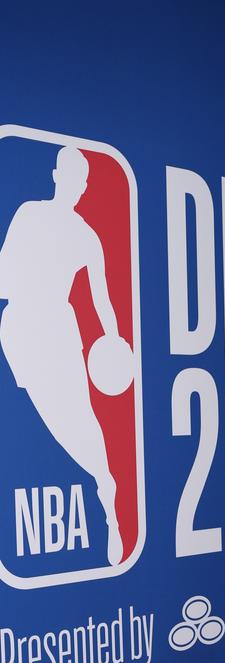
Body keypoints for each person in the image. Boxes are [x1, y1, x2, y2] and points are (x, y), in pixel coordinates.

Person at [0, 145, 123, 566]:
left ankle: (108, 495)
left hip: (58, 330)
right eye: (69, 176)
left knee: (82, 419)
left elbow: (101, 298)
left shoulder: (87, 236)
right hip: (19, 329)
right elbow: (3, 274)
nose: (74, 185)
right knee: (34, 420)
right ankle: (99, 482)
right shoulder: (29, 214)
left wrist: (114, 340)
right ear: (57, 176)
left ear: (83, 186)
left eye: (80, 179)